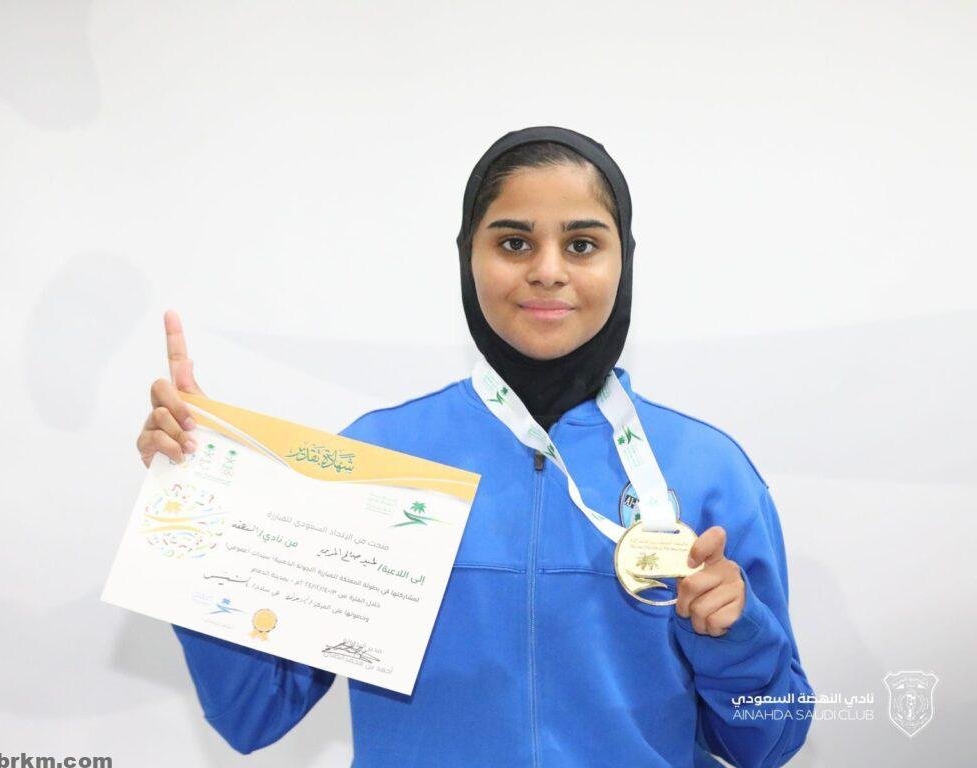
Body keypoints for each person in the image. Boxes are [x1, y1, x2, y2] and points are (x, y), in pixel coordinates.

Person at [136, 126, 814, 767]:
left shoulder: (707, 470)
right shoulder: (377, 459)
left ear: (623, 261)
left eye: (582, 244)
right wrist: (206, 499)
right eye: (514, 243)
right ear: (468, 257)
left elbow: (770, 741)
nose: (548, 271)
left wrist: (738, 636)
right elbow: (254, 711)